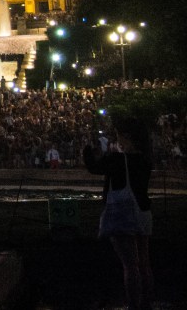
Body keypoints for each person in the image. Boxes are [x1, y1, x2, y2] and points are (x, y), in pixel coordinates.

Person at [83, 118, 154, 310]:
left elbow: (93, 167)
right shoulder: (144, 159)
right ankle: (146, 303)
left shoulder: (117, 159)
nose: (116, 139)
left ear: (127, 137)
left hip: (122, 214)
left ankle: (133, 305)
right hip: (143, 212)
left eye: (118, 135)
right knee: (144, 263)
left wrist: (87, 149)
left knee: (130, 265)